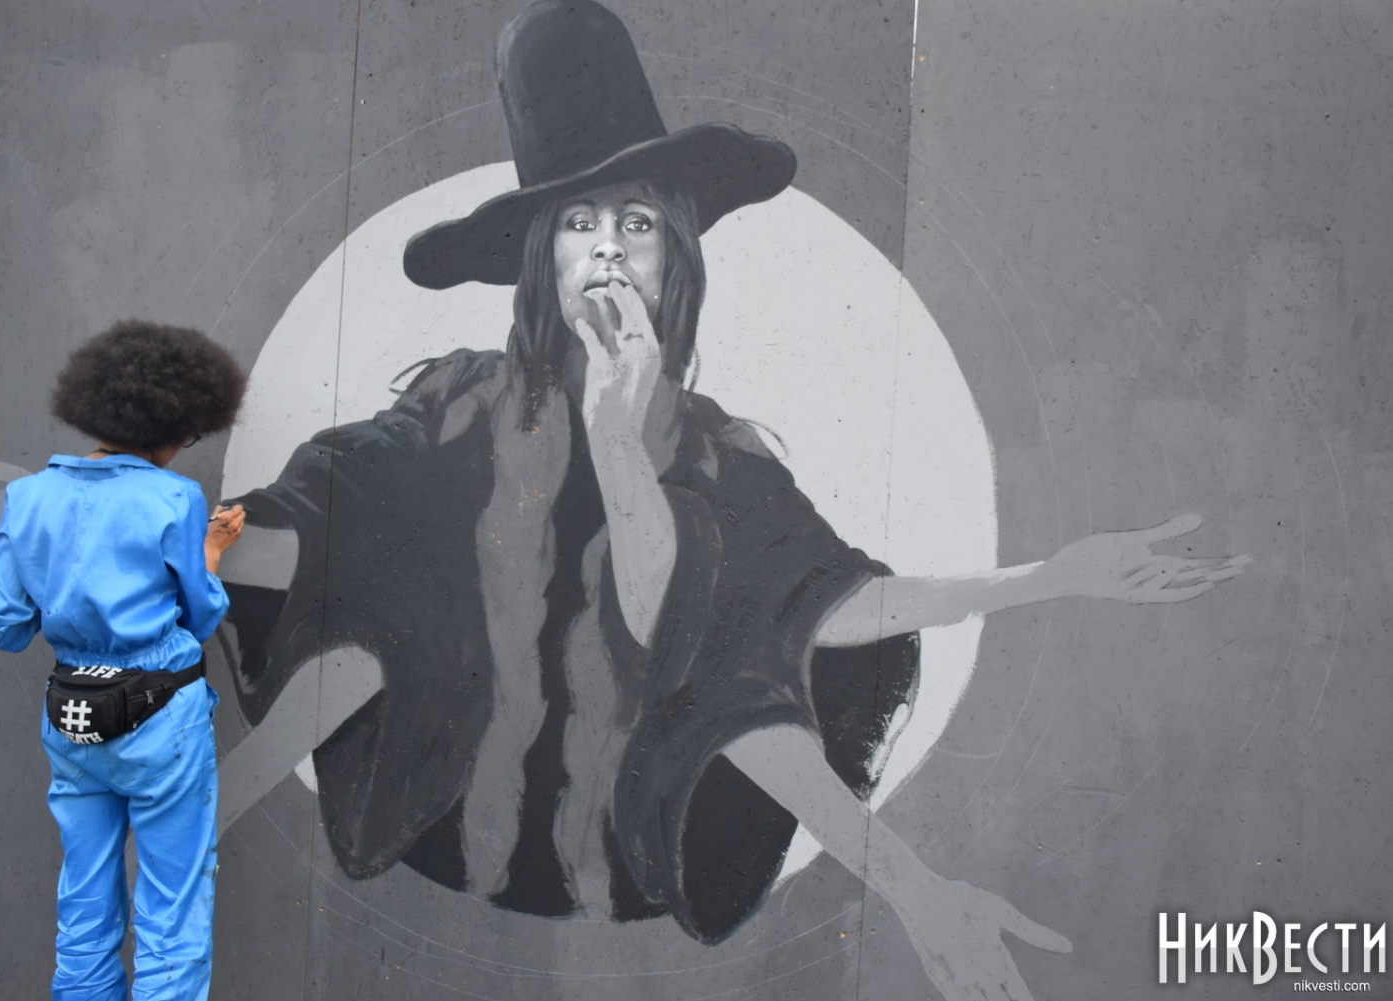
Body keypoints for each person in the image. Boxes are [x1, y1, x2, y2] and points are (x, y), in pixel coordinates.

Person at [213, 3, 1247, 999]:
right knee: (394, 570)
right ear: (545, 257)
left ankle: (920, 892)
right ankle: (190, 826)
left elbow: (819, 607)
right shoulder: (459, 407)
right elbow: (320, 529)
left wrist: (1046, 579)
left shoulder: (717, 456)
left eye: (635, 223)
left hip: (641, 825)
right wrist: (170, 541)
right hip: (436, 784)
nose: (607, 248)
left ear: (673, 257)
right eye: (578, 223)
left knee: (728, 643)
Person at [0, 320, 248, 1001]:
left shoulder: (27, 497)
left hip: (73, 715)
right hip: (162, 717)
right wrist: (210, 551)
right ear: (172, 424)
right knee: (172, 910)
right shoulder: (173, 497)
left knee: (85, 902)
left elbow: (5, 627)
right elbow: (199, 616)